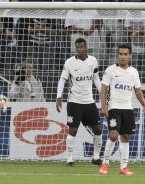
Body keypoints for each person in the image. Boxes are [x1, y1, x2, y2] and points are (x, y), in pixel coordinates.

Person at [56, 38, 102, 167]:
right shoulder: (69, 62)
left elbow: (96, 79)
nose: (79, 49)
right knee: (72, 130)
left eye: (81, 47)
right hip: (74, 102)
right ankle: (69, 159)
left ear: (86, 47)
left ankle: (96, 157)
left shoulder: (93, 61)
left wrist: (103, 95)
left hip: (89, 102)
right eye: (77, 47)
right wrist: (58, 97)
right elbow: (62, 80)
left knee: (98, 129)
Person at [99, 44, 145, 175]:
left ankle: (123, 167)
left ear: (130, 56)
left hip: (127, 108)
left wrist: (144, 104)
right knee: (113, 135)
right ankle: (105, 164)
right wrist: (104, 107)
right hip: (114, 107)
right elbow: (103, 91)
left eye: (125, 54)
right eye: (120, 54)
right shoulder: (111, 70)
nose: (122, 56)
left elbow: (138, 91)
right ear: (118, 55)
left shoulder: (134, 72)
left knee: (125, 136)